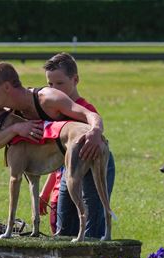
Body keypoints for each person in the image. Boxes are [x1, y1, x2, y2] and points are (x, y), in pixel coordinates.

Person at [0, 62, 110, 237]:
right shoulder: (12, 113)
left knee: (92, 231)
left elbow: (90, 115)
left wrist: (95, 130)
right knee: (63, 229)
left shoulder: (47, 98)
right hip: (65, 164)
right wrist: (16, 129)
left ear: (6, 87)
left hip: (92, 151)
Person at [40, 53, 115, 238]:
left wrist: (95, 131)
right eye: (50, 85)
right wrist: (47, 189)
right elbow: (57, 154)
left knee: (92, 226)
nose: (54, 89)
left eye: (60, 84)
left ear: (75, 80)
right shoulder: (53, 111)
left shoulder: (83, 109)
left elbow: (95, 137)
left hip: (93, 161)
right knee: (64, 228)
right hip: (68, 169)